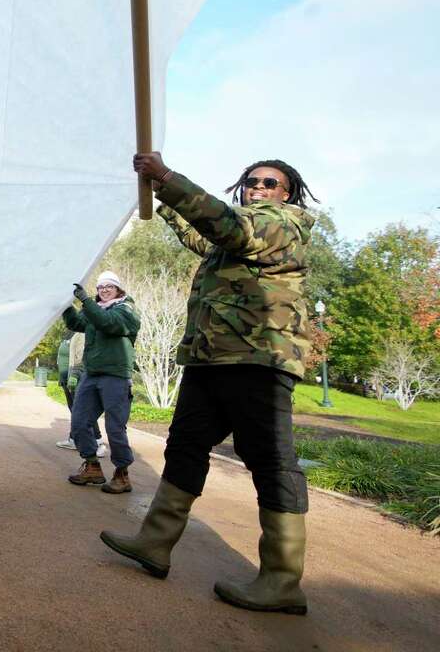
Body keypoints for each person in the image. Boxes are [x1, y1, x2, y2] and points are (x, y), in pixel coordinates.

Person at [101, 154, 316, 616]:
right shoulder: (232, 237)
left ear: (286, 193)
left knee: (270, 461)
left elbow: (228, 225)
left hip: (259, 360)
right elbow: (207, 232)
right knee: (185, 446)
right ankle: (155, 544)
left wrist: (168, 178)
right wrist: (156, 196)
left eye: (269, 182)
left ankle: (281, 581)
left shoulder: (284, 225)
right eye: (251, 181)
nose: (258, 187)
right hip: (211, 358)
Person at [63, 271, 141, 494]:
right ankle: (92, 467)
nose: (104, 290)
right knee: (79, 422)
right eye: (100, 287)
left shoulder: (126, 310)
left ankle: (122, 474)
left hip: (115, 375)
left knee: (115, 427)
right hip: (92, 373)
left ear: (118, 289)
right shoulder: (96, 310)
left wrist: (86, 301)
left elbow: (108, 323)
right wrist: (67, 306)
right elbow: (79, 322)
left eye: (109, 286)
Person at [56, 332, 106, 455]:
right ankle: (73, 440)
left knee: (85, 411)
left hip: (77, 378)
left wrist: (74, 375)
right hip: (67, 377)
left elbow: (82, 356)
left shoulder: (83, 333)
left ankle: (98, 442)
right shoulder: (71, 333)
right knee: (74, 410)